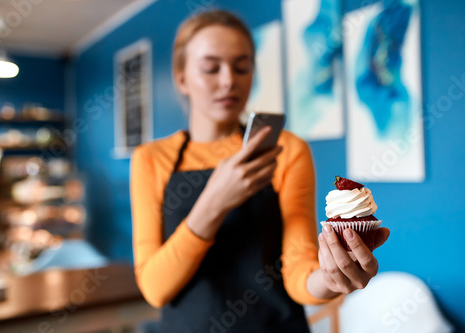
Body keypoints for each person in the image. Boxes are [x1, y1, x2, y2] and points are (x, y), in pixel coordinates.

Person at [130, 10, 390, 333]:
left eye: (242, 67)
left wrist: (331, 277)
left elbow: (298, 271)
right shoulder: (150, 159)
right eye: (211, 68)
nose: (228, 80)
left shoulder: (287, 149)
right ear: (181, 78)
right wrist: (214, 202)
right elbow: (155, 289)